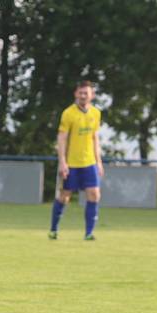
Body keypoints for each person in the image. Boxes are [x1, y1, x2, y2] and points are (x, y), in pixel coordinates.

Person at [49, 80, 104, 240]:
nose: (83, 95)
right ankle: (53, 229)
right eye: (80, 92)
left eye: (86, 93)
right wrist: (62, 162)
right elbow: (62, 138)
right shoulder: (68, 113)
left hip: (89, 163)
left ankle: (89, 233)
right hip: (71, 164)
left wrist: (99, 162)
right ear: (75, 94)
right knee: (64, 196)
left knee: (94, 194)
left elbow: (95, 138)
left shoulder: (96, 113)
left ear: (91, 95)